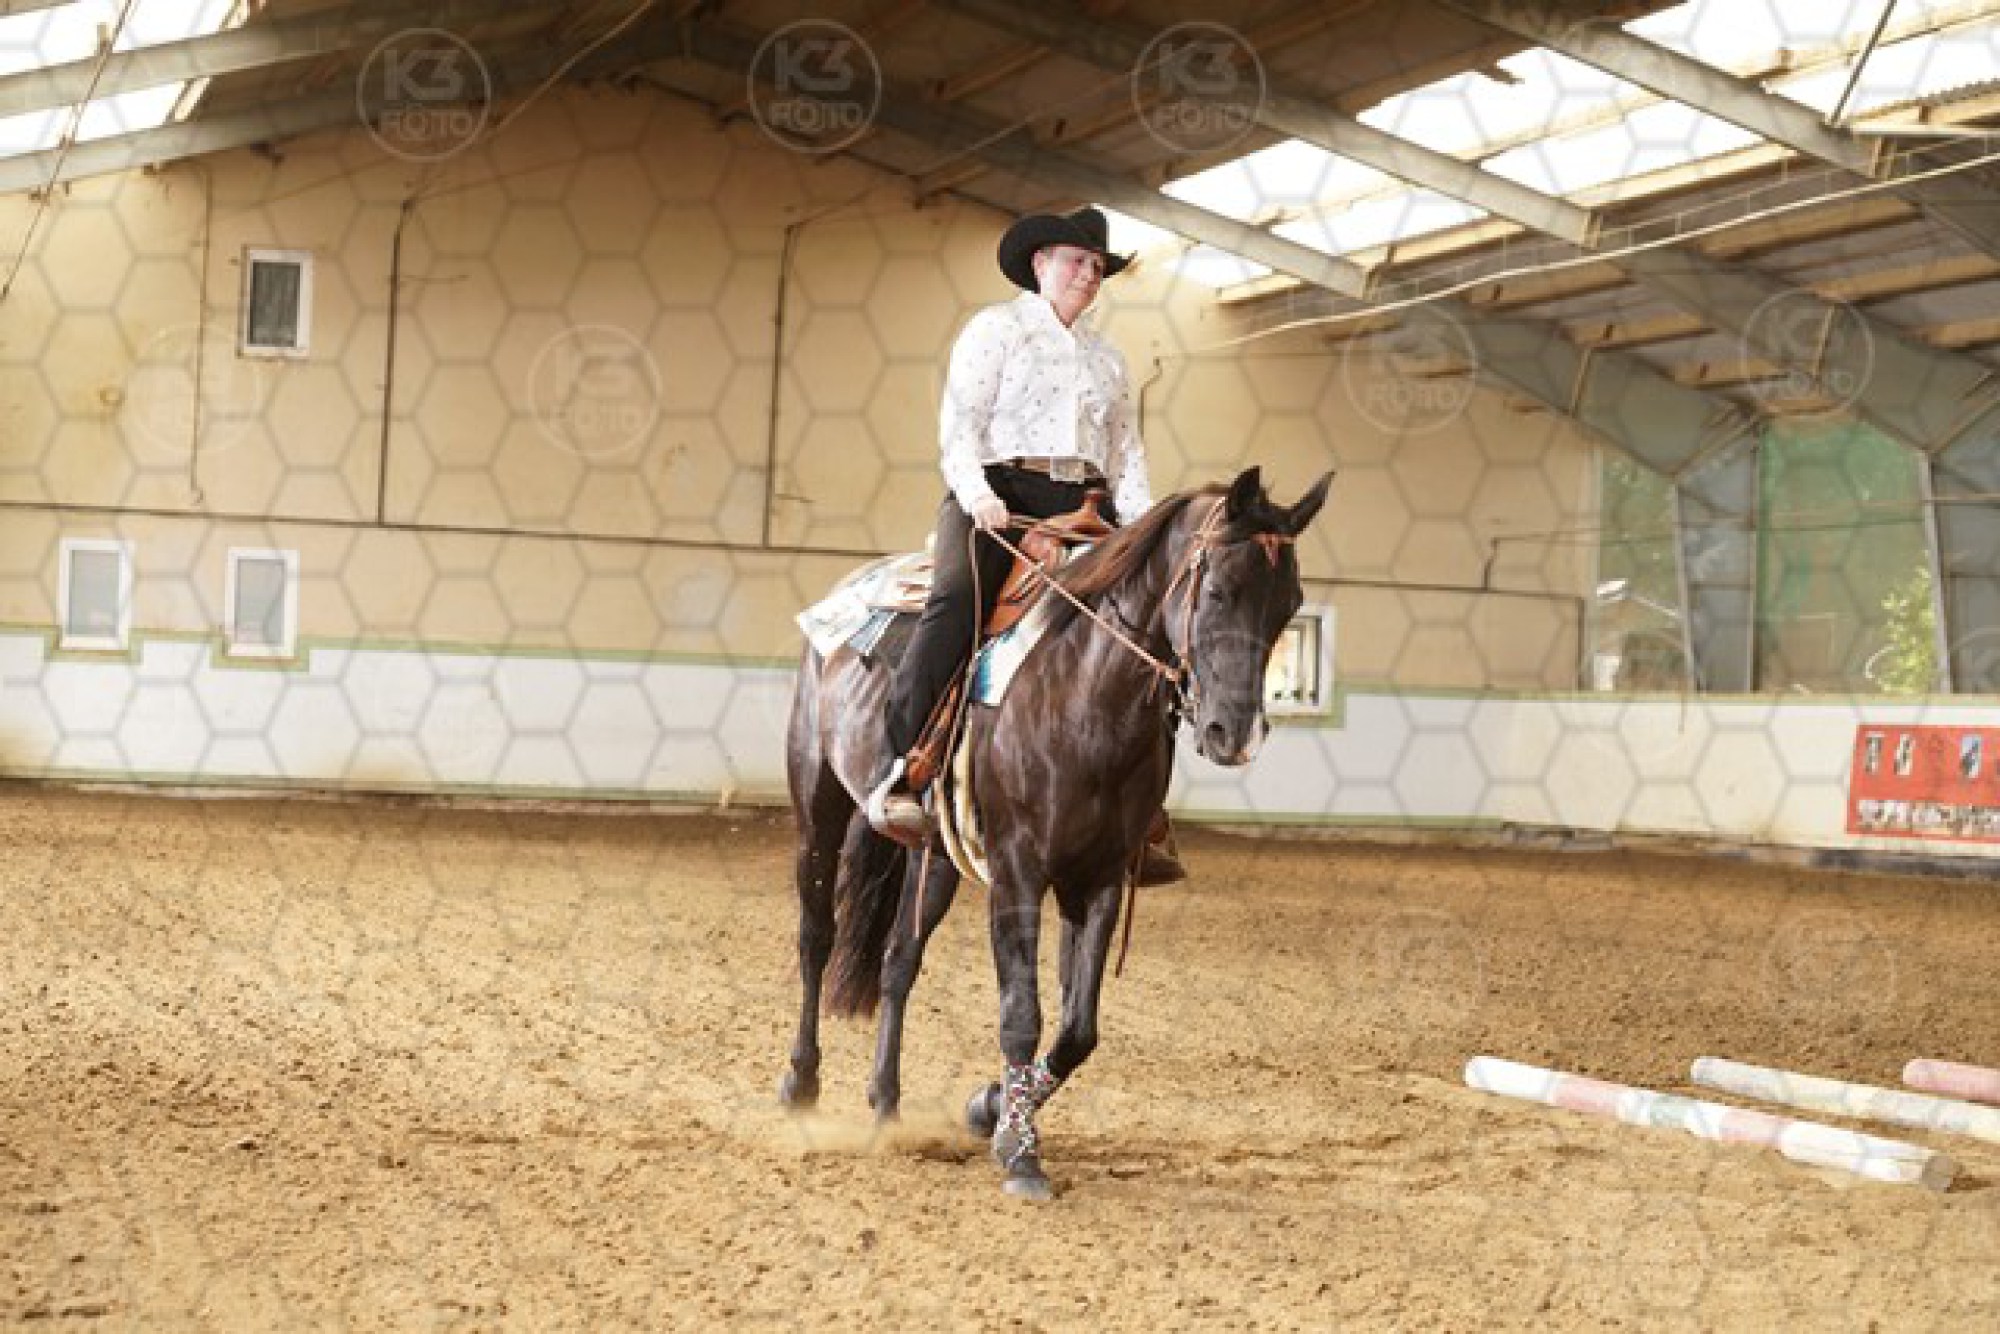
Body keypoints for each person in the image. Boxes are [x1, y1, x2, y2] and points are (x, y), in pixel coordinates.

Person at [865, 207, 1181, 885]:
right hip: (999, 495)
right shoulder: (995, 330)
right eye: (1077, 261)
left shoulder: (1109, 358)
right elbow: (961, 424)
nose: (1089, 275)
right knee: (956, 603)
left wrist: (1143, 527)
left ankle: (1139, 812)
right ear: (1040, 264)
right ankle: (902, 769)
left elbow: (1125, 453)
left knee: (1145, 629)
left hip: (1084, 505)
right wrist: (978, 494)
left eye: (1098, 267)